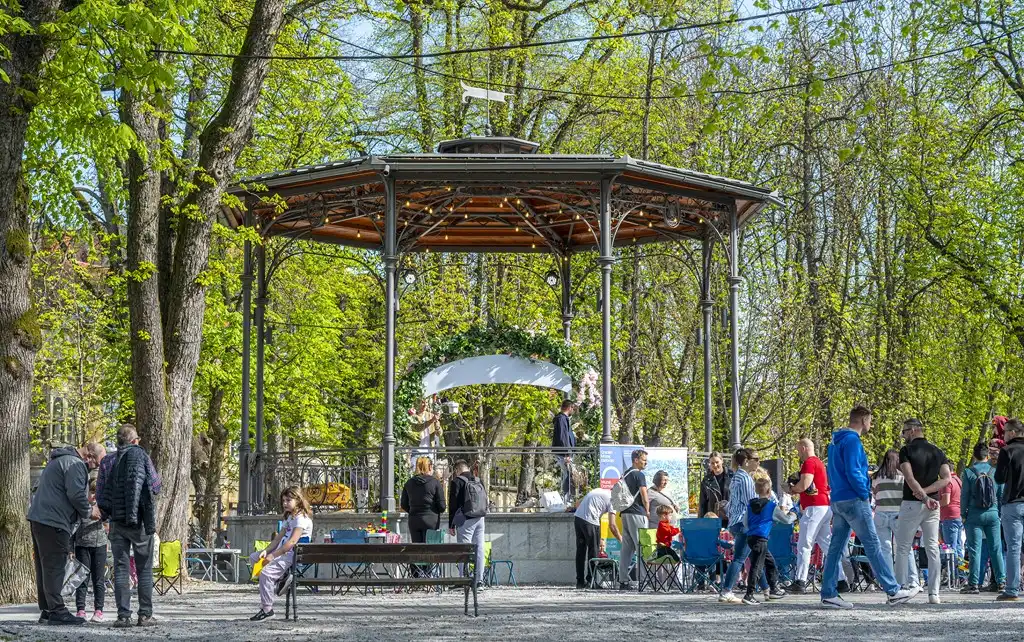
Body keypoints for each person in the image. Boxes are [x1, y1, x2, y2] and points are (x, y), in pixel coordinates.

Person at [820, 405, 917, 609]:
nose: (871, 425)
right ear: (864, 420)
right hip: (854, 499)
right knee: (872, 544)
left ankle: (828, 593)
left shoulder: (834, 442)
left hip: (837, 499)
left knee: (836, 548)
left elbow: (835, 471)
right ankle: (893, 590)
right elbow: (854, 471)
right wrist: (864, 493)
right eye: (870, 421)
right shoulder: (852, 441)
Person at [27, 442, 105, 626]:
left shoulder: (59, 460)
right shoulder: (75, 464)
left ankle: (47, 610)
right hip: (54, 521)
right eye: (97, 463)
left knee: (44, 567)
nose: (95, 468)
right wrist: (90, 511)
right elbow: (76, 495)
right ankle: (57, 611)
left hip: (40, 518)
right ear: (89, 456)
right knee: (55, 567)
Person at [97, 424, 160, 628]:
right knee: (144, 569)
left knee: (121, 569)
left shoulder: (107, 461)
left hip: (117, 522)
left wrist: (108, 514)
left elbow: (100, 493)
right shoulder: (142, 456)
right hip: (140, 522)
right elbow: (155, 485)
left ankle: (123, 616)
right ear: (134, 441)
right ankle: (145, 615)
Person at [894, 418, 950, 604]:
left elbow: (909, 478)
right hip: (933, 504)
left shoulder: (906, 451)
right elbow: (946, 478)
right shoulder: (937, 451)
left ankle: (900, 589)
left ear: (912, 430)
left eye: (904, 431)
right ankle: (934, 593)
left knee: (903, 547)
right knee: (932, 547)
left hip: (912, 503)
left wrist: (922, 495)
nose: (903, 435)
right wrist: (928, 495)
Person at [789, 437, 846, 593]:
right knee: (827, 546)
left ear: (803, 448)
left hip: (814, 508)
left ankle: (800, 581)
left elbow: (805, 484)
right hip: (824, 506)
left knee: (804, 545)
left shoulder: (809, 462)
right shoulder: (819, 463)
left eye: (798, 450)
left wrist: (792, 489)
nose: (798, 453)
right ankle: (841, 580)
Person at [248, 486, 313, 621]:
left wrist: (273, 555)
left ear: (298, 500)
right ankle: (283, 578)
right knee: (254, 558)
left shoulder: (301, 519)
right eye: (283, 501)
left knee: (266, 574)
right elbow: (278, 539)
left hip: (292, 555)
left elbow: (292, 542)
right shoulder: (290, 517)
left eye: (288, 500)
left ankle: (267, 610)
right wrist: (266, 551)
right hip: (282, 551)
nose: (284, 503)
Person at [961, 441, 1005, 594]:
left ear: (974, 456)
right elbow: (1001, 494)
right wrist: (999, 513)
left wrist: (963, 515)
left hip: (974, 514)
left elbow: (964, 495)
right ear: (988, 455)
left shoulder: (968, 472)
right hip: (992, 514)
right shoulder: (995, 471)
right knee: (996, 549)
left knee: (975, 550)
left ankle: (974, 584)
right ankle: (1001, 582)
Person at [872, 449, 919, 588]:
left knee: (885, 549)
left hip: (880, 514)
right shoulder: (902, 477)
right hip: (898, 514)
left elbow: (875, 495)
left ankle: (889, 581)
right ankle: (913, 580)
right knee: (905, 548)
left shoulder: (876, 477)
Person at [718, 448, 758, 604]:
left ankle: (769, 588)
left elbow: (733, 503)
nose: (758, 462)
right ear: (746, 461)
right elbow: (752, 503)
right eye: (756, 459)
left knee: (755, 556)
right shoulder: (746, 479)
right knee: (740, 558)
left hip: (735, 521)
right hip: (744, 522)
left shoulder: (736, 477)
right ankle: (726, 590)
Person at [742, 477, 789, 605]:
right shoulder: (771, 506)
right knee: (757, 567)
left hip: (751, 537)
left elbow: (745, 523)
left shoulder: (750, 506)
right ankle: (749, 595)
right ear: (769, 491)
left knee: (770, 562)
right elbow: (786, 520)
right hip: (761, 538)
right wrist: (794, 514)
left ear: (756, 490)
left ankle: (773, 588)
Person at [995, 417, 1024, 601]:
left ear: (1013, 433)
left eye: (1005, 431)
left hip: (1013, 502)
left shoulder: (1007, 451)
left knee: (1014, 547)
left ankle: (1012, 590)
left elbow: (999, 478)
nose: (1003, 435)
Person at [448, 460, 487, 588]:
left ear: (457, 470)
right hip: (480, 518)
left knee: (464, 550)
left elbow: (453, 505)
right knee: (479, 549)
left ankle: (464, 580)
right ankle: (479, 581)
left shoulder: (457, 481)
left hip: (465, 519)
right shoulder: (478, 480)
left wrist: (451, 524)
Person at [74, 476, 108, 622]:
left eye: (96, 492)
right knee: (82, 578)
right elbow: (73, 526)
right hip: (82, 545)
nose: (93, 495)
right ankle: (80, 610)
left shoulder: (102, 506)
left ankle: (98, 610)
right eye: (91, 492)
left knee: (98, 580)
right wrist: (70, 547)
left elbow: (108, 520)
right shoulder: (80, 506)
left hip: (99, 545)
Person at [573, 487, 620, 588]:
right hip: (591, 521)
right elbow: (612, 525)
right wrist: (621, 539)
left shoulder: (599, 490)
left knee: (581, 551)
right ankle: (591, 581)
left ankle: (580, 582)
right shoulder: (614, 499)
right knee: (594, 551)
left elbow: (578, 503)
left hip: (578, 518)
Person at [617, 449, 649, 590]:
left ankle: (623, 580)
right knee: (642, 546)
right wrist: (647, 510)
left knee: (626, 548)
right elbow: (644, 494)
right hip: (637, 513)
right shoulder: (639, 475)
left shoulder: (625, 474)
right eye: (643, 460)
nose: (645, 462)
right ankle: (643, 580)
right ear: (636, 460)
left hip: (625, 513)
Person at [400, 456, 446, 543]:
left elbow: (403, 504)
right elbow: (442, 506)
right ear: (430, 467)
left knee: (417, 548)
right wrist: (434, 510)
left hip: (414, 519)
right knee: (430, 547)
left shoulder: (409, 483)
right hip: (431, 520)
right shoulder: (435, 482)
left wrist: (413, 510)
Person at [939, 466, 964, 582]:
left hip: (949, 516)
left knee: (951, 549)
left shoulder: (947, 482)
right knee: (958, 548)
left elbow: (946, 500)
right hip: (958, 515)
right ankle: (963, 574)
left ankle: (957, 576)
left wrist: (933, 502)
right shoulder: (958, 480)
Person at [552, 400, 577, 504]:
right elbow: (563, 437)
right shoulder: (561, 419)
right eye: (573, 408)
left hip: (565, 453)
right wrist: (567, 453)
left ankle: (567, 499)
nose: (573, 411)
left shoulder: (562, 419)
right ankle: (566, 500)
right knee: (568, 475)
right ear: (569, 407)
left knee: (568, 475)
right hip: (564, 454)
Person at [699, 452, 730, 524]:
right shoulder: (706, 480)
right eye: (712, 463)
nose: (715, 465)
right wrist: (701, 522)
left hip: (730, 517)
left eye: (717, 462)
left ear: (722, 461)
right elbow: (702, 503)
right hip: (713, 518)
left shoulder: (732, 476)